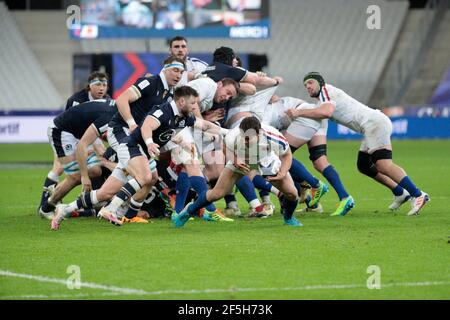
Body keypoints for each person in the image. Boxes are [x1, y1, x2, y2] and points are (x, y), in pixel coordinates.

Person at [287, 72, 429, 216]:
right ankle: (400, 193)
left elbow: (327, 112)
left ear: (320, 82)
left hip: (374, 124)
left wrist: (298, 113)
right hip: (372, 125)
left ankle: (418, 194)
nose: (308, 87)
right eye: (305, 85)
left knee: (384, 165)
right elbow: (321, 111)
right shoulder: (322, 99)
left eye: (310, 83)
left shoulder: (326, 90)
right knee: (364, 165)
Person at [97, 85, 230, 226]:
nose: (195, 107)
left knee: (146, 179)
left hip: (142, 151)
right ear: (181, 102)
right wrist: (149, 143)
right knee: (144, 177)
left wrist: (226, 132)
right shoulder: (163, 111)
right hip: (132, 146)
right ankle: (110, 209)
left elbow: (204, 125)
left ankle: (96, 208)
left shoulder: (182, 117)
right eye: (192, 103)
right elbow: (147, 126)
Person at [172, 116, 303, 228]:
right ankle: (188, 211)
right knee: (216, 194)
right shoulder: (233, 135)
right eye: (243, 137)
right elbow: (224, 147)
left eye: (248, 139)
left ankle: (289, 218)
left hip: (265, 159)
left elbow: (287, 155)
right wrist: (235, 160)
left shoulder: (274, 136)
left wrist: (283, 172)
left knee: (292, 193)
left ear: (259, 134)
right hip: (241, 159)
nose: (245, 141)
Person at [38, 71, 109, 215]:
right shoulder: (77, 100)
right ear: (89, 86)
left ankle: (87, 201)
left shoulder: (107, 100)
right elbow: (67, 122)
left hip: (84, 136)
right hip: (66, 135)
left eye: (104, 84)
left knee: (96, 169)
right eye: (97, 84)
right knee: (60, 169)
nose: (101, 88)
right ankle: (46, 206)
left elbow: (97, 131)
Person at [40, 99, 118, 219]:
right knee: (75, 177)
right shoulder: (109, 115)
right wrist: (84, 177)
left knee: (96, 170)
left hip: (78, 134)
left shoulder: (113, 106)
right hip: (61, 131)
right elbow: (83, 144)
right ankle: (46, 208)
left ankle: (58, 190)